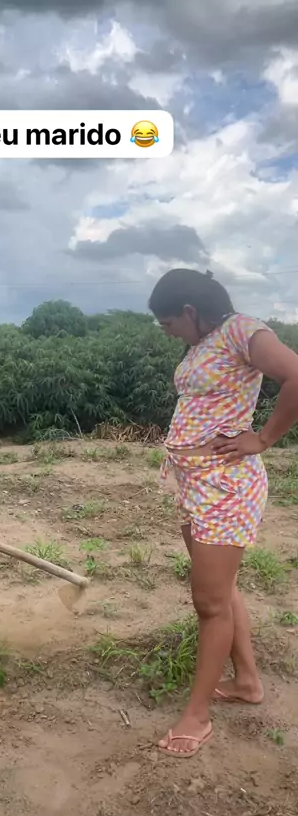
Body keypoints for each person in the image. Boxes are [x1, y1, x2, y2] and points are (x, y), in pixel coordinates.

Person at [148, 268, 298, 757]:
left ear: (190, 311)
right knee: (222, 590)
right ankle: (248, 681)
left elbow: (295, 374)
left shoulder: (242, 330)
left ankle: (196, 717)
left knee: (210, 604)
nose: (167, 332)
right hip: (195, 484)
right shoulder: (202, 343)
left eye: (169, 323)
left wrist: (265, 438)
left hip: (226, 487)